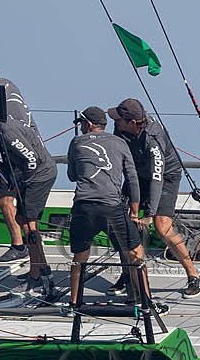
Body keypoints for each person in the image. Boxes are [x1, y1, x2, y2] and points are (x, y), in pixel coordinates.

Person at [0, 51, 58, 295]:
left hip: (31, 166)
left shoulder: (4, 114)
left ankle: (38, 274)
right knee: (22, 218)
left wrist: (21, 185)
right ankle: (38, 268)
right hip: (18, 162)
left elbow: (31, 160)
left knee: (29, 224)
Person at [109, 98, 200, 297]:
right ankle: (130, 274)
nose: (115, 122)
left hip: (165, 176)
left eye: (119, 120)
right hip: (138, 175)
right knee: (123, 223)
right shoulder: (120, 128)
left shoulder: (153, 139)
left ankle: (193, 275)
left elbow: (156, 177)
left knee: (162, 226)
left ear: (133, 123)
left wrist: (149, 213)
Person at [66, 106, 154, 308]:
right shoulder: (120, 142)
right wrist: (134, 211)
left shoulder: (76, 142)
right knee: (136, 254)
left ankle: (74, 304)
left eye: (81, 124)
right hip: (112, 207)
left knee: (79, 257)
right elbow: (132, 179)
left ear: (87, 124)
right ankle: (147, 303)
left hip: (83, 206)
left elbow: (72, 176)